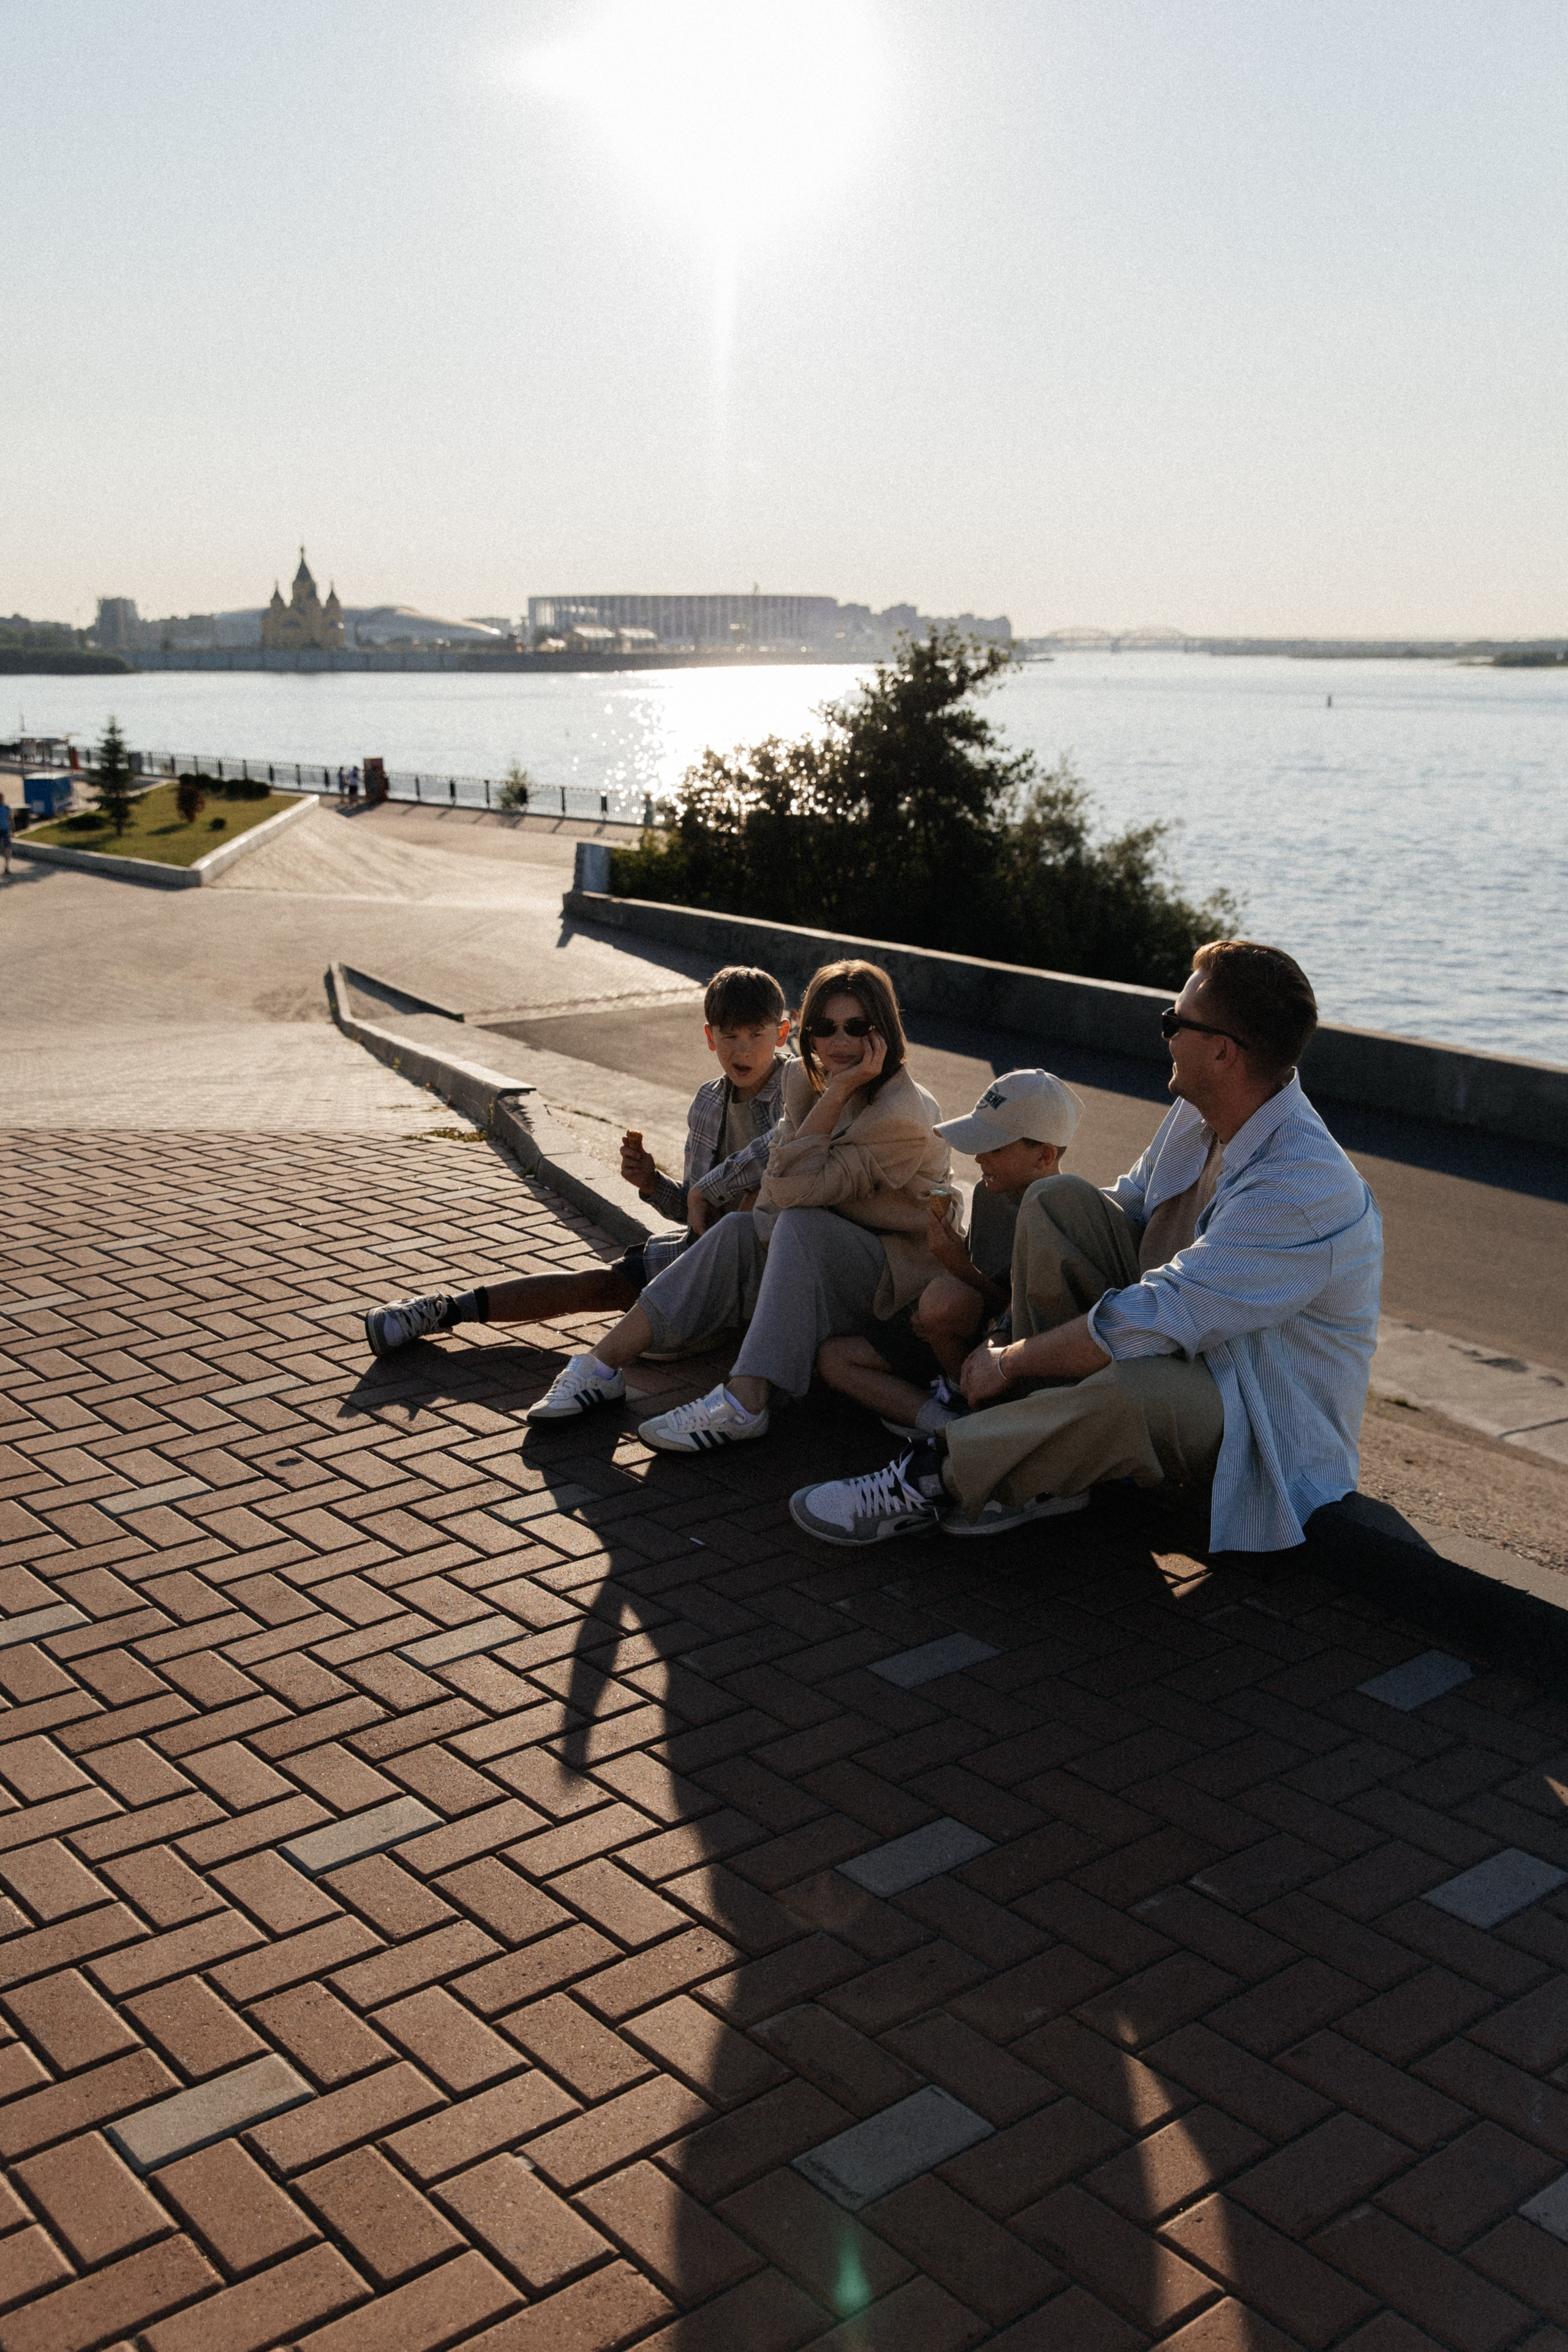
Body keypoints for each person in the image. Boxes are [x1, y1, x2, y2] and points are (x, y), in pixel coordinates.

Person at [791, 940, 1383, 1552]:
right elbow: (1121, 1208)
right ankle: (1044, 1476)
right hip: (1186, 1344)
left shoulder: (1301, 1188)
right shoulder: (1198, 1111)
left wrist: (1012, 1356)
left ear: (1222, 1052)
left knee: (1134, 1392)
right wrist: (1007, 1310)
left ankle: (930, 1478)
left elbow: (1160, 1314)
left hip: (1251, 1403)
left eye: (1173, 1022)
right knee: (1056, 1200)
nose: (1165, 1034)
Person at [527, 958, 949, 1450]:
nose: (838, 1042)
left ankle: (745, 1402)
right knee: (737, 1230)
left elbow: (789, 1192)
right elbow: (775, 1193)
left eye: (856, 1027)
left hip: (896, 1285)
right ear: (807, 1032)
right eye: (824, 1027)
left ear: (883, 1033)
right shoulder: (802, 1084)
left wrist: (836, 1095)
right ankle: (600, 1366)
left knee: (797, 1224)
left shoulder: (902, 1115)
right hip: (827, 1263)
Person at [363, 965, 791, 1355]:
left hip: (766, 1271)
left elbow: (782, 1151)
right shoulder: (708, 1102)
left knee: (755, 1198)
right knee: (595, 1286)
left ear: (783, 1033)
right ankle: (442, 1310)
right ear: (710, 1036)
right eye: (730, 1036)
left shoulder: (796, 1090)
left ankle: (687, 1337)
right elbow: (695, 1213)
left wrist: (707, 1192)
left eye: (756, 1035)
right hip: (696, 1261)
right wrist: (652, 1184)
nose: (743, 1050)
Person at [817, 1070, 1082, 1440]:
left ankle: (971, 1414)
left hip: (1007, 1355)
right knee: (834, 1359)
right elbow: (989, 1288)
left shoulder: (1065, 1214)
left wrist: (956, 1265)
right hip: (960, 1344)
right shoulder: (993, 1193)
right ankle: (947, 1426)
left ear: (1044, 1156)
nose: (978, 1158)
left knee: (943, 1300)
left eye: (995, 1147)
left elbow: (1025, 1313)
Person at [0, 795, 10, 876]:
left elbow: (10, 818)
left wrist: (13, 830)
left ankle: (7, 867)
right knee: (6, 849)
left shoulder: (6, 808)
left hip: (5, 830)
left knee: (7, 849)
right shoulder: (6, 807)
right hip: (3, 830)